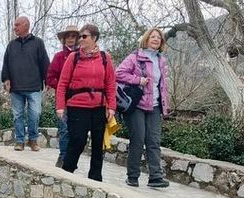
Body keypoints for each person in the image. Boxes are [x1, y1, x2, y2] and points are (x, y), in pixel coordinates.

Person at [55, 24, 116, 182]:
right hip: (77, 106)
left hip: (99, 107)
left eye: (84, 36)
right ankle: (66, 172)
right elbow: (62, 83)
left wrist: (112, 107)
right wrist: (60, 106)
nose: (80, 39)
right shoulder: (73, 58)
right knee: (77, 141)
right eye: (80, 36)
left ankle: (95, 178)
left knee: (98, 144)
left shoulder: (105, 58)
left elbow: (110, 83)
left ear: (94, 38)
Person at [115, 28, 171, 188]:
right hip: (137, 105)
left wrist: (164, 105)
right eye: (152, 37)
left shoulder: (161, 60)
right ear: (146, 39)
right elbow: (118, 73)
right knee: (138, 140)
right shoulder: (135, 57)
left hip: (154, 105)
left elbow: (162, 85)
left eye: (159, 38)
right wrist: (138, 80)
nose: (156, 39)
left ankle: (155, 177)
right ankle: (132, 176)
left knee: (154, 141)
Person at [1, 16, 49, 151]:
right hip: (16, 88)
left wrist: (48, 81)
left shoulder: (38, 43)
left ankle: (33, 140)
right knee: (17, 115)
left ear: (26, 25)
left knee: (35, 114)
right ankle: (20, 141)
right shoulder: (11, 45)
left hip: (34, 87)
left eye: (17, 25)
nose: (14, 27)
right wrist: (6, 79)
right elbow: (6, 64)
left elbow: (44, 63)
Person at [46, 25, 79, 167]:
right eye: (68, 36)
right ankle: (63, 156)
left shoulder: (82, 56)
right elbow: (50, 77)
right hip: (63, 98)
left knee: (76, 130)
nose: (71, 39)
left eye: (73, 36)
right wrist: (61, 85)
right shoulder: (59, 57)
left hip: (78, 99)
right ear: (64, 39)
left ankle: (71, 158)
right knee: (64, 129)